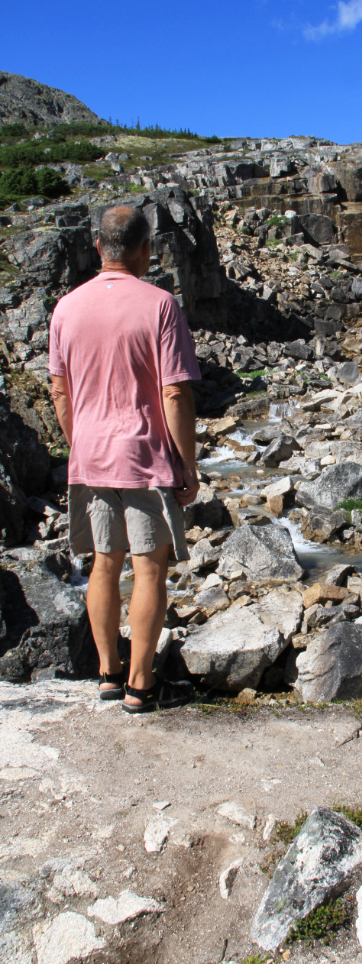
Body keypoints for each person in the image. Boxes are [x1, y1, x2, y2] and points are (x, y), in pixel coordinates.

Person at [49, 205, 201, 713]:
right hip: (144, 457)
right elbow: (175, 393)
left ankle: (108, 674)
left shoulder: (66, 308)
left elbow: (59, 393)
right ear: (145, 250)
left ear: (98, 247)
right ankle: (141, 685)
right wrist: (187, 465)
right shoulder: (160, 305)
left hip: (89, 459)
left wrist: (82, 444)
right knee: (149, 570)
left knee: (102, 567)